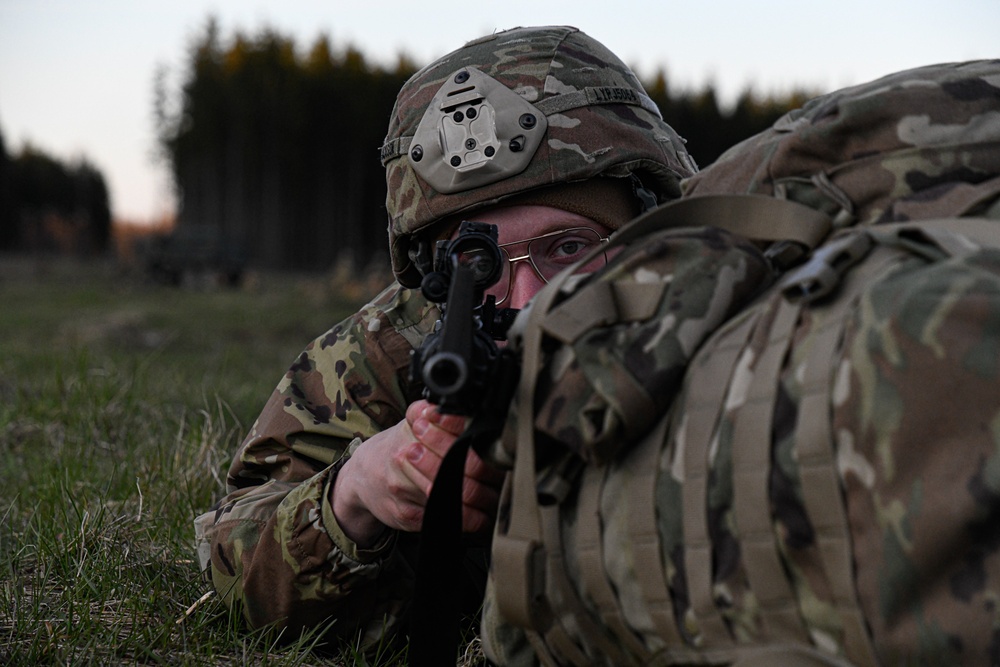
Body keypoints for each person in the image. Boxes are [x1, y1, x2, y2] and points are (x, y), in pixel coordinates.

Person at [193, 24, 697, 651]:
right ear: (437, 277)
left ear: (646, 237)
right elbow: (237, 555)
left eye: (568, 249)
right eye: (478, 263)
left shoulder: (716, 315)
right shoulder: (396, 345)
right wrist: (356, 493)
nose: (526, 300)